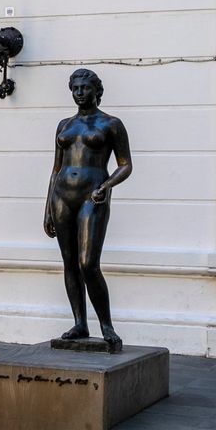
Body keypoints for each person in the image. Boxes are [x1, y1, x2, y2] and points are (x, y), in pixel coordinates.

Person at [43, 68, 133, 352]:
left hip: (91, 196)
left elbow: (125, 164)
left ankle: (107, 326)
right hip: (62, 197)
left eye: (84, 88)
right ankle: (80, 322)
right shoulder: (64, 125)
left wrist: (106, 186)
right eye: (75, 89)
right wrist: (47, 208)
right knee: (69, 263)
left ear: (97, 91)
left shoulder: (111, 124)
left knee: (88, 264)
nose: (79, 93)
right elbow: (56, 169)